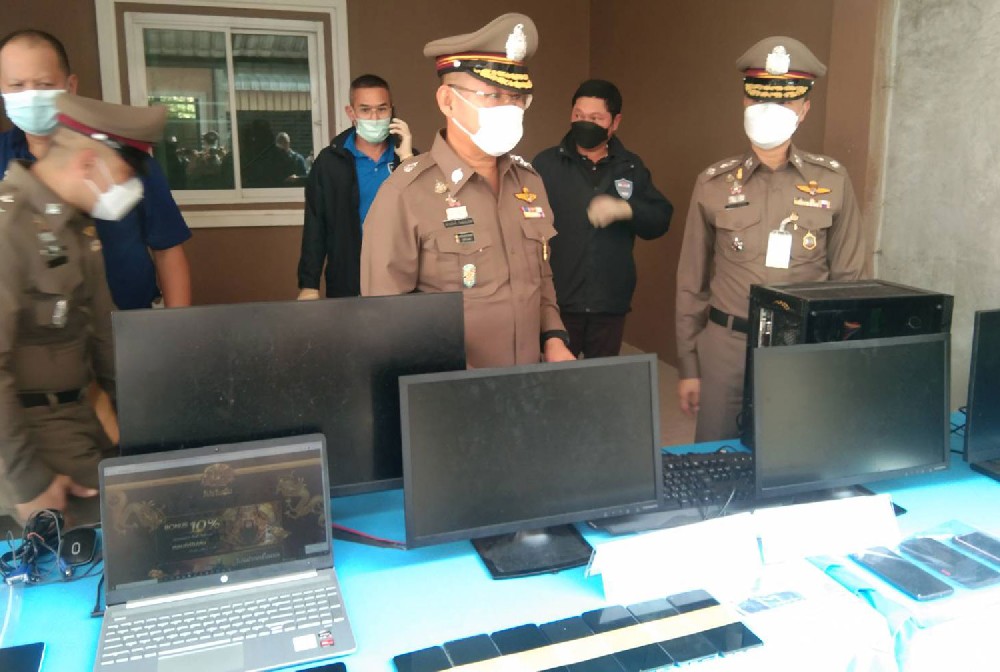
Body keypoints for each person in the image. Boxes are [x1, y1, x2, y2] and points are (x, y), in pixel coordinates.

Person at [675, 36, 866, 442]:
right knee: (717, 459)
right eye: (760, 101)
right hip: (726, 347)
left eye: (784, 102)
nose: (770, 112)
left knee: (793, 454)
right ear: (744, 105)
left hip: (801, 347)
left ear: (804, 109)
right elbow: (691, 281)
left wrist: (839, 360)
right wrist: (689, 366)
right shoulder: (713, 183)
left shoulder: (832, 180)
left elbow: (851, 280)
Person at [360, 13, 575, 368]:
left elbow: (542, 279)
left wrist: (553, 337)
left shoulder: (529, 183)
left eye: (518, 97)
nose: (511, 108)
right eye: (493, 95)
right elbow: (387, 320)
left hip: (531, 384)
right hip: (452, 396)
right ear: (447, 101)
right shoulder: (405, 194)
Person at [0, 94, 166, 527]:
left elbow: (103, 342)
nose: (130, 192)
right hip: (23, 439)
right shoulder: (8, 228)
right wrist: (28, 481)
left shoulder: (77, 231)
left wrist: (144, 432)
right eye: (126, 175)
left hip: (78, 421)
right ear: (89, 163)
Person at [0, 29, 192, 311]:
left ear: (70, 86)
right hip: (37, 341)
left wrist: (177, 332)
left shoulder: (123, 158)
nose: (30, 96)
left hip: (130, 325)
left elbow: (167, 250)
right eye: (17, 85)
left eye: (43, 84)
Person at [534, 79, 672, 358]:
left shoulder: (630, 166)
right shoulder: (546, 165)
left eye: (596, 118)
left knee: (602, 385)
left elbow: (660, 219)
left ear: (615, 122)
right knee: (557, 387)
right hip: (558, 301)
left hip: (609, 302)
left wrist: (627, 209)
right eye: (578, 116)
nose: (585, 123)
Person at [297, 74, 414, 299]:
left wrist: (409, 160)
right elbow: (315, 224)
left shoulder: (407, 158)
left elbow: (426, 215)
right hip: (348, 277)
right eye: (365, 110)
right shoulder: (330, 161)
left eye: (382, 109)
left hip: (401, 276)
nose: (374, 117)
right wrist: (309, 283)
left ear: (392, 111)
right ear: (351, 113)